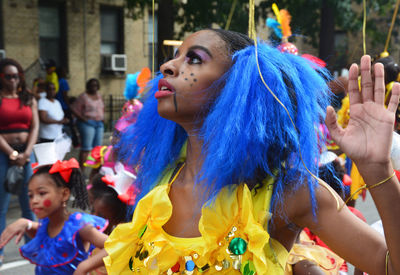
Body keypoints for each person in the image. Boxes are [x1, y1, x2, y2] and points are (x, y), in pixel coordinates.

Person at [103, 29, 400, 274]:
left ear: (237, 87)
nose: (168, 66)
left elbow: (389, 266)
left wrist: (378, 170)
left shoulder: (287, 192)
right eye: (176, 56)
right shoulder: (160, 187)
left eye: (194, 59)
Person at [0, 158, 108, 274]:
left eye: (42, 193)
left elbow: (115, 245)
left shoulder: (79, 225)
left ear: (64, 194)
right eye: (31, 195)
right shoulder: (47, 224)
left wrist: (84, 267)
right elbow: (48, 240)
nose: (34, 201)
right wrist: (27, 224)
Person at [0, 58, 38, 267]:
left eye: (16, 76)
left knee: (30, 203)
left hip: (27, 154)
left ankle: (32, 249)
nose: (13, 80)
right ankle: (0, 250)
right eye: (8, 76)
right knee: (1, 206)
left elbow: (34, 127)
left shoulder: (28, 98)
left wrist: (27, 153)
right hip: (3, 154)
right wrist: (12, 154)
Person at [72, 78, 104, 168]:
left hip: (99, 123)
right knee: (86, 148)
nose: (94, 87)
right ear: (88, 86)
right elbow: (74, 109)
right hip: (87, 124)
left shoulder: (99, 95)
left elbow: (102, 108)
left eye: (96, 85)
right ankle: (82, 172)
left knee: (98, 149)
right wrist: (82, 118)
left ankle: (96, 170)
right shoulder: (83, 97)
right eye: (92, 85)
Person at [56, 67, 80, 147]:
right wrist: (69, 105)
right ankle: (75, 142)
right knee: (70, 125)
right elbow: (64, 95)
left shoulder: (56, 81)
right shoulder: (63, 81)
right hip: (64, 106)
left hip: (58, 106)